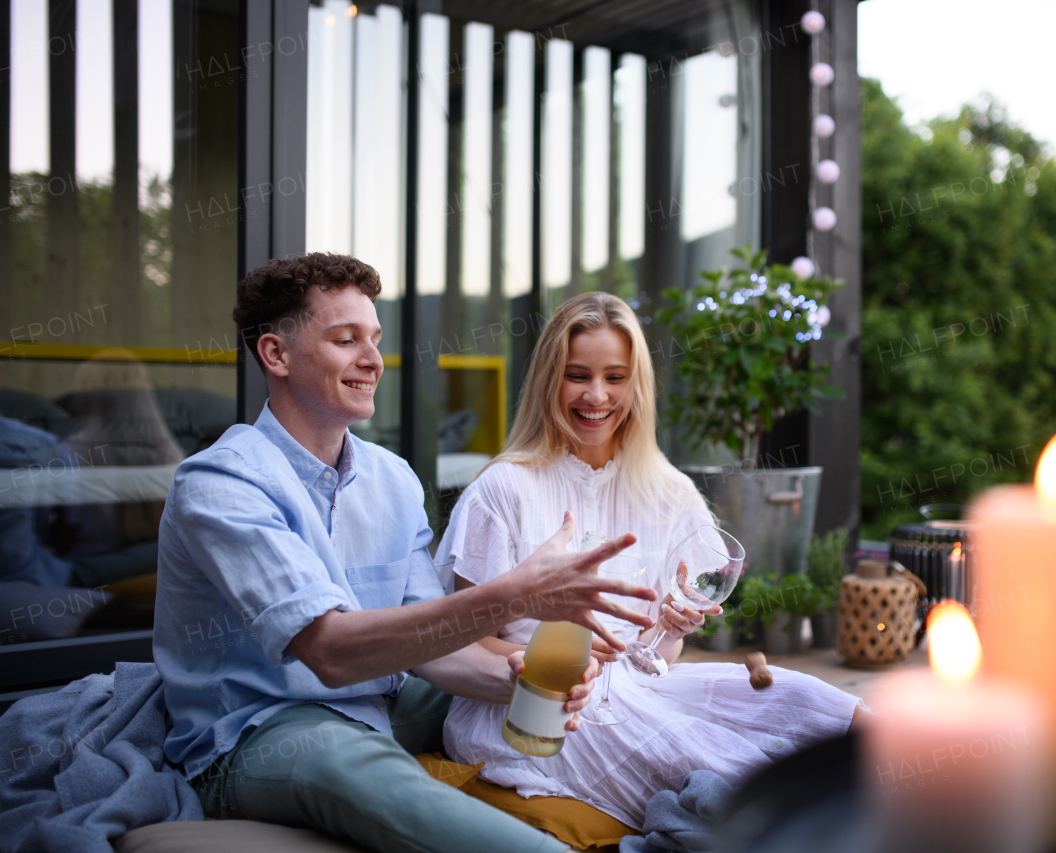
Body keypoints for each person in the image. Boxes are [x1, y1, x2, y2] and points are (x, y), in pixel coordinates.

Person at [152, 254, 656, 853]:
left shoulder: (392, 479)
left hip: (385, 703)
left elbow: (437, 655)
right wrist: (513, 595)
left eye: (375, 339)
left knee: (556, 673)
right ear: (276, 355)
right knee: (350, 760)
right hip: (258, 730)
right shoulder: (219, 485)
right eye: (346, 340)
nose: (373, 360)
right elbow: (329, 652)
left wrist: (518, 681)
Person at [438, 292, 865, 828]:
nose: (597, 395)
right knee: (720, 761)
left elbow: (659, 653)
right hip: (532, 705)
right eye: (577, 375)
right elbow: (457, 636)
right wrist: (547, 664)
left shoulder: (670, 493)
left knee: (808, 703)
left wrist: (671, 625)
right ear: (550, 380)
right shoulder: (503, 490)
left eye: (615, 377)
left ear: (636, 385)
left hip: (638, 686)